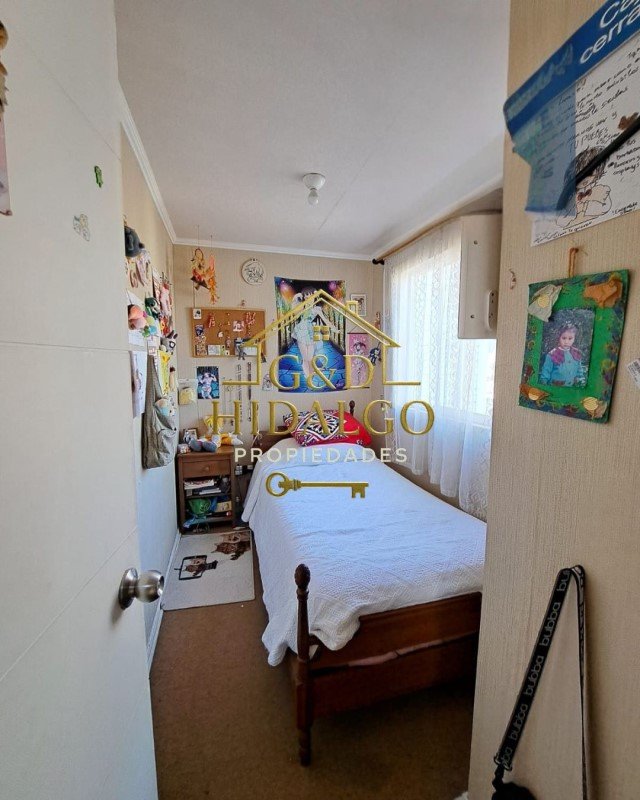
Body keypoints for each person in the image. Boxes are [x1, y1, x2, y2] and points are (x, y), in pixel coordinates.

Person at [291, 287, 339, 379]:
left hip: (310, 331)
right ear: (304, 297)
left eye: (311, 296)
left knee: (310, 357)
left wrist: (333, 328)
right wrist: (297, 296)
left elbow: (325, 320)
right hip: (301, 330)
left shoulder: (317, 309)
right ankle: (308, 376)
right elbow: (294, 313)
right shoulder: (301, 306)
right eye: (306, 296)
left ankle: (310, 374)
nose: (309, 298)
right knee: (305, 357)